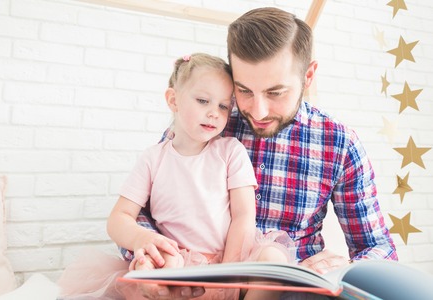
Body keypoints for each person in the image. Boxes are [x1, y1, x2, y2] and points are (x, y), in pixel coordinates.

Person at [124, 6, 398, 300]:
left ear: (308, 76)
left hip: (290, 290)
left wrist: (348, 267)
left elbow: (378, 248)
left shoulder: (339, 143)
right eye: (243, 91)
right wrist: (152, 254)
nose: (258, 111)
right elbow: (140, 214)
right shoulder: (207, 122)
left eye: (275, 92)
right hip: (196, 280)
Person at [59, 53, 294, 300]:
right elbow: (119, 217)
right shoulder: (153, 159)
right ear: (173, 100)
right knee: (151, 266)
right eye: (203, 101)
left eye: (223, 106)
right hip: (182, 261)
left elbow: (244, 215)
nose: (214, 112)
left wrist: (229, 273)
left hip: (233, 257)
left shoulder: (230, 151)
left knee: (273, 260)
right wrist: (142, 238)